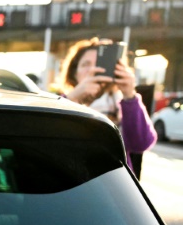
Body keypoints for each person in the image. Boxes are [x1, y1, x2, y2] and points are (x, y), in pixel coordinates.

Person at [57, 37, 157, 176]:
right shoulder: (60, 102)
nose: (93, 69)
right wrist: (74, 97)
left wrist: (130, 94)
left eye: (100, 63)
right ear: (74, 73)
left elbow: (141, 144)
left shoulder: (124, 105)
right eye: (86, 64)